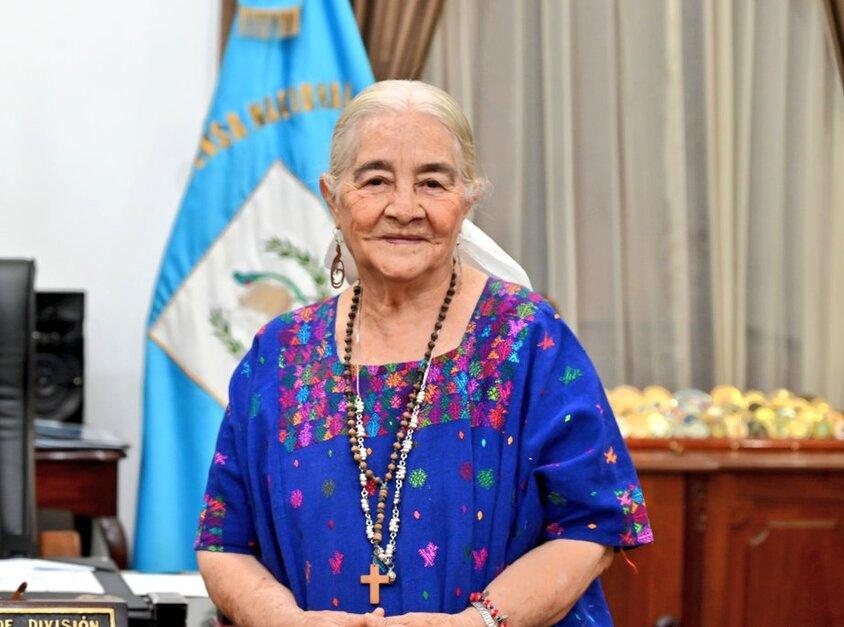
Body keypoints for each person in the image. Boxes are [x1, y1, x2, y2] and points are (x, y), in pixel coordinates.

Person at [196, 80, 652, 627]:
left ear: (468, 199)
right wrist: (284, 621)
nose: (405, 208)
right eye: (376, 180)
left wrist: (473, 625)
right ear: (333, 198)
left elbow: (592, 525)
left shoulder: (528, 340)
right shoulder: (279, 356)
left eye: (433, 182)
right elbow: (223, 541)